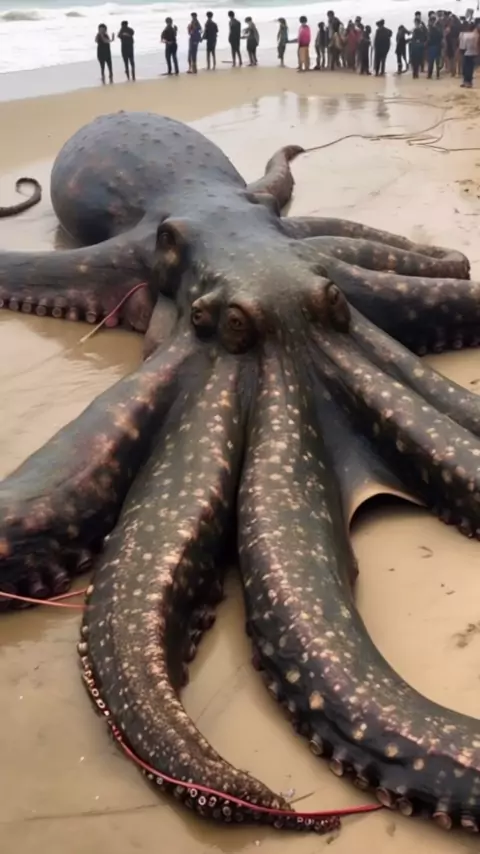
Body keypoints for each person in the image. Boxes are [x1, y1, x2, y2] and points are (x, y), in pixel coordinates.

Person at [460, 21, 479, 86]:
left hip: (466, 52)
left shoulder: (465, 35)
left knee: (465, 68)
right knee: (470, 68)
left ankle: (465, 81)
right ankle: (469, 82)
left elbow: (463, 46)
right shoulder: (476, 35)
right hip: (473, 53)